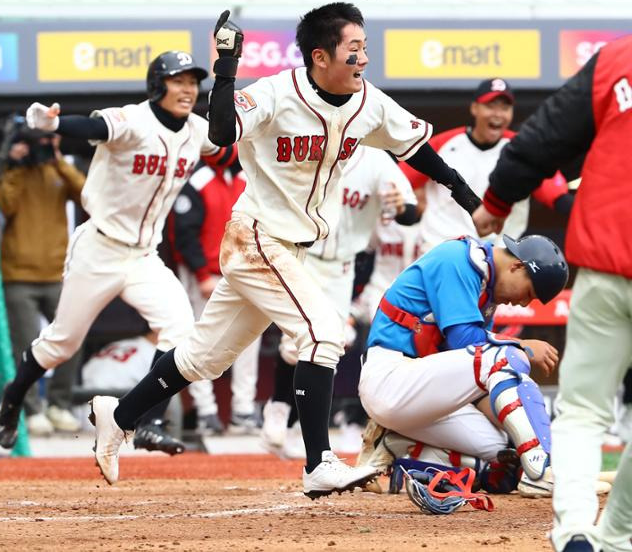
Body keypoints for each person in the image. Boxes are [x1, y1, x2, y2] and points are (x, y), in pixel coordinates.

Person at [88, 2, 482, 498]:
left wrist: (461, 188)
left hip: (289, 247)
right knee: (322, 332)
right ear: (320, 56)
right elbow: (221, 131)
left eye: (364, 46)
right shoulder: (278, 91)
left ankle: (117, 415)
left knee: (201, 358)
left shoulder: (367, 102)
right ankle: (319, 461)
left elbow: (413, 144)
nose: (363, 57)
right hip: (256, 236)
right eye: (353, 48)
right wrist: (226, 69)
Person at [0, 50, 235, 457]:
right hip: (100, 248)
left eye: (193, 83)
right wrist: (50, 123)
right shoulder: (132, 119)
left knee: (180, 329)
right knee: (61, 344)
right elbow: (90, 125)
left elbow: (230, 142)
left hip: (143, 256)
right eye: (178, 81)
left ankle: (149, 423)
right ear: (158, 85)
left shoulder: (197, 130)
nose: (187, 90)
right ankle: (13, 397)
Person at [472, 36, 632, 552]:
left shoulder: (619, 57)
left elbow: (541, 140)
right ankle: (617, 536)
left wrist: (496, 199)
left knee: (583, 410)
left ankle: (576, 531)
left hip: (609, 257)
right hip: (608, 252)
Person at [357, 232, 568, 495]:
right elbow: (465, 342)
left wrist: (521, 431)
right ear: (517, 266)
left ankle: (396, 448)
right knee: (508, 356)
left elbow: (474, 378)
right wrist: (522, 345)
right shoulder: (458, 259)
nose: (524, 303)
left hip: (422, 395)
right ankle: (540, 472)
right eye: (528, 293)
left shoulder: (487, 292)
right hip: (390, 377)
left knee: (505, 449)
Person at [260, 145, 418, 458]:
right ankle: (279, 406)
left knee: (332, 344)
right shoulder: (310, 145)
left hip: (342, 269)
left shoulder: (375, 161)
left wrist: (400, 206)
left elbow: (410, 211)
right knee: (298, 342)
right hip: (303, 256)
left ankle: (294, 424)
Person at [401, 78, 573, 254]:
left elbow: (557, 196)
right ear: (474, 108)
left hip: (499, 254)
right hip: (442, 248)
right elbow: (398, 179)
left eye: (505, 108)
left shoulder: (523, 149)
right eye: (490, 106)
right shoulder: (444, 142)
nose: (498, 114)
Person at [0, 126, 86, 437]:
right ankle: (32, 410)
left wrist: (57, 159)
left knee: (73, 336)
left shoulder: (60, 167)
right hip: (18, 275)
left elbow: (87, 196)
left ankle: (59, 404)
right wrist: (16, 165)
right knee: (26, 345)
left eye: (50, 140)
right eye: (40, 142)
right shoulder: (12, 170)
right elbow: (5, 205)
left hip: (57, 273)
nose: (45, 146)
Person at [170, 160, 262, 436]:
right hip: (206, 275)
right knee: (201, 340)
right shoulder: (198, 180)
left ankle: (243, 410)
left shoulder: (247, 179)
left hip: (243, 272)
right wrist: (200, 275)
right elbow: (183, 235)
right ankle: (205, 411)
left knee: (249, 340)